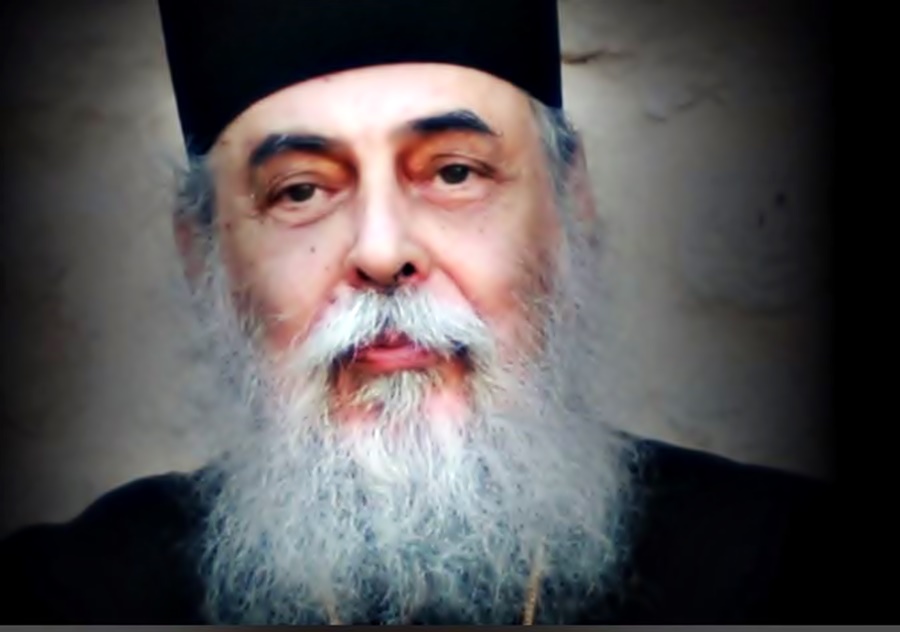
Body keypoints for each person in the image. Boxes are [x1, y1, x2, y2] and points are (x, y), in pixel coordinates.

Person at [0, 0, 838, 624]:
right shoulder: (64, 603)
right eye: (301, 191)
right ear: (201, 252)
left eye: (453, 173)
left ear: (570, 202)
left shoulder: (788, 573)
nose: (381, 250)